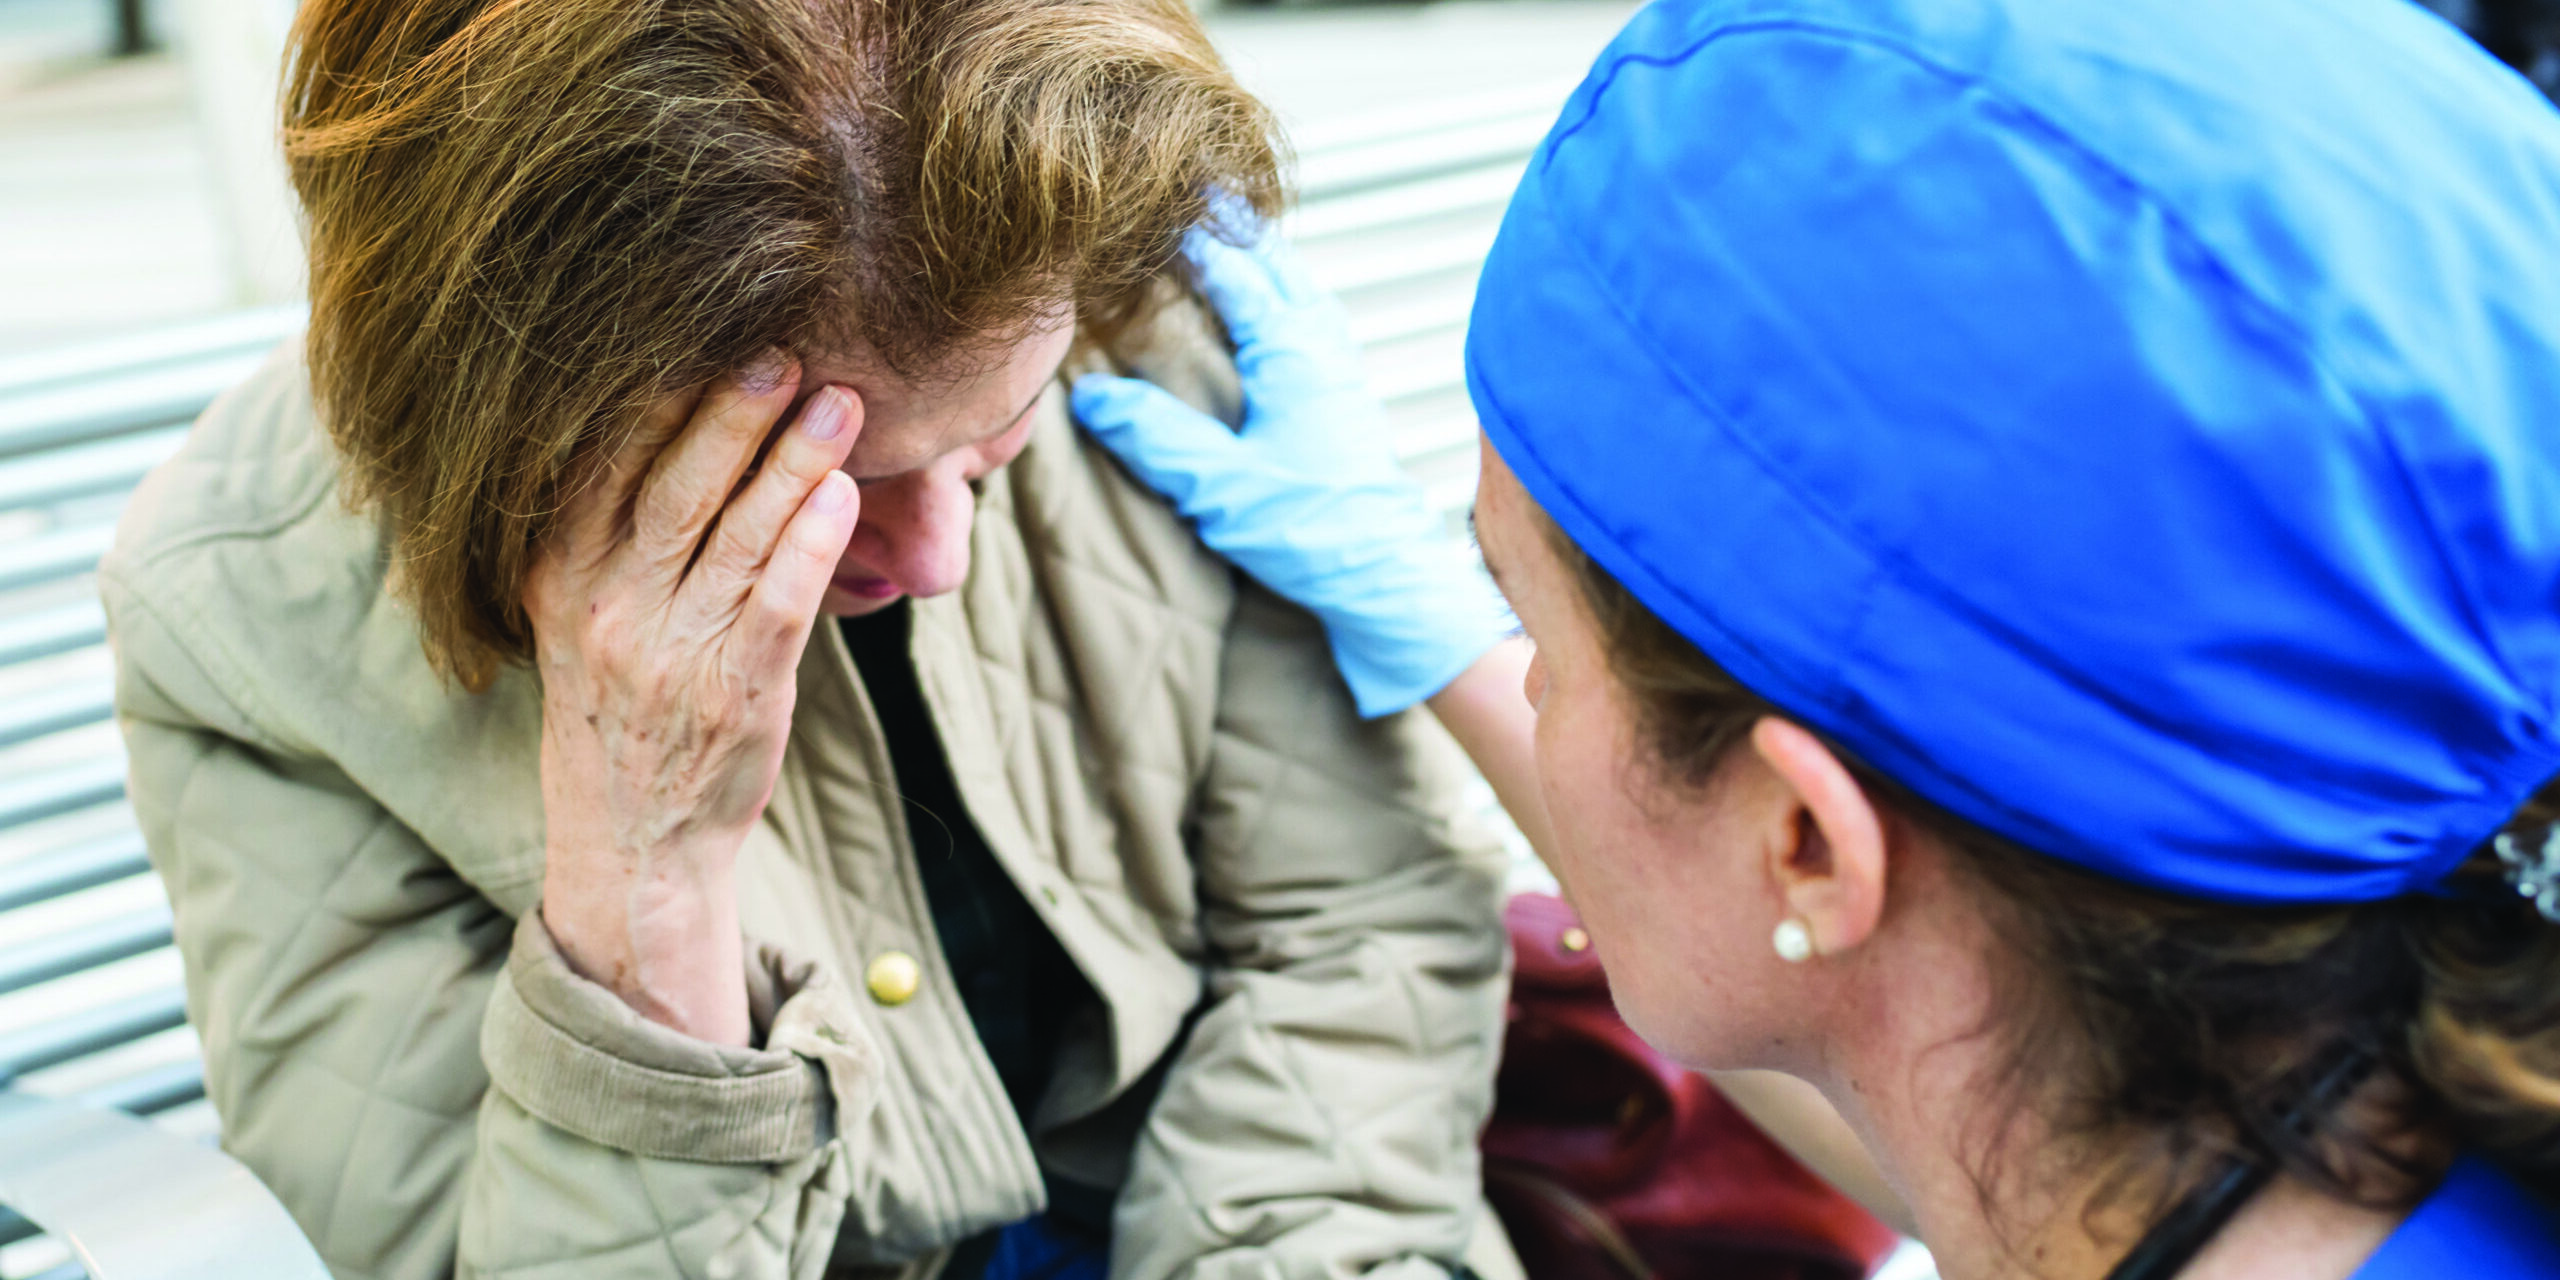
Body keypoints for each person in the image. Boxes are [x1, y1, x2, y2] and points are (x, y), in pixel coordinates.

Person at [1073, 0, 2560, 1276]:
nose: (1516, 667)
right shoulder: (2371, 1058)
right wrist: (1445, 636)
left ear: (1808, 844)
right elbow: (1923, 1073)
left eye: (1533, 628)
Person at [98, 0, 1523, 1277]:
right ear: (521, 416)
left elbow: (1358, 931)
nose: (935, 560)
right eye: (807, 486)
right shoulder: (239, 610)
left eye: (989, 438)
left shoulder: (1125, 288)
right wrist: (642, 881)